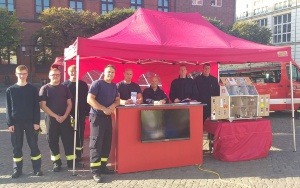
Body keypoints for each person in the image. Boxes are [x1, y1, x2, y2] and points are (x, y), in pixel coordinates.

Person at [6, 65, 42, 178]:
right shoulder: (10, 90)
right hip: (16, 124)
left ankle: (37, 169)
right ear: (16, 74)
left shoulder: (32, 89)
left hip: (31, 123)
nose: (22, 76)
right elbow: (8, 107)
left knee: (34, 146)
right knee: (17, 147)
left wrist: (37, 122)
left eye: (24, 74)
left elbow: (36, 107)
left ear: (27, 74)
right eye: (20, 74)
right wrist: (10, 123)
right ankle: (17, 170)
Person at [87, 65, 120, 183]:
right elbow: (90, 99)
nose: (110, 74)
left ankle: (103, 166)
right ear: (104, 72)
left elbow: (117, 100)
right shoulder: (97, 84)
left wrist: (112, 106)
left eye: (112, 72)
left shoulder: (114, 86)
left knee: (106, 142)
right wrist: (103, 109)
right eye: (108, 72)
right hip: (97, 117)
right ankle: (95, 171)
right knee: (96, 143)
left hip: (107, 118)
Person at [39, 68, 75, 172]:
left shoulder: (65, 88)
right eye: (53, 75)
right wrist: (56, 116)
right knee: (52, 140)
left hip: (65, 118)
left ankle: (70, 161)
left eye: (57, 75)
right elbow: (43, 106)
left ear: (60, 76)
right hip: (51, 119)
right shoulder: (44, 89)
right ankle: (56, 162)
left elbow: (69, 104)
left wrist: (64, 116)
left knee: (68, 140)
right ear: (49, 76)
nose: (55, 76)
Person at [63, 65, 89, 161]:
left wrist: (87, 112)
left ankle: (79, 155)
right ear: (68, 73)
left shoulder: (83, 84)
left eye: (75, 71)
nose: (73, 73)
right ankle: (71, 154)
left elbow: (87, 99)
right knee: (69, 134)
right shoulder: (64, 85)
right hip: (68, 114)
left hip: (81, 112)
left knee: (79, 134)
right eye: (72, 72)